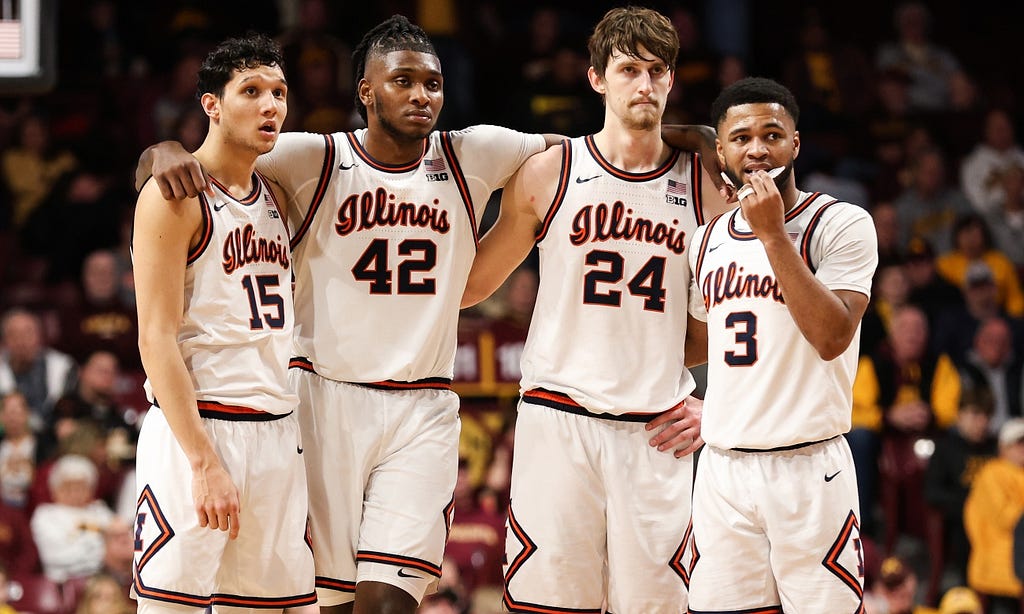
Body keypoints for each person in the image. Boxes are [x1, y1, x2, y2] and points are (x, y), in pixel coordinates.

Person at [460, 8, 726, 613]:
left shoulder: (705, 183)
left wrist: (720, 405)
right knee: (549, 604)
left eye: (659, 71)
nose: (646, 85)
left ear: (672, 80)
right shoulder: (551, 171)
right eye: (629, 69)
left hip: (656, 431)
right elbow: (470, 286)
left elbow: (745, 317)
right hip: (559, 420)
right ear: (596, 79)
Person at [131, 33, 315, 612]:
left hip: (277, 431)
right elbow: (154, 339)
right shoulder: (174, 195)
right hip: (200, 429)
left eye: (280, 93)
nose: (271, 106)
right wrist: (204, 462)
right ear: (212, 104)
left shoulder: (278, 192)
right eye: (252, 91)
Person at [684, 77, 877, 612]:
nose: (758, 148)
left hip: (810, 468)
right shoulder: (705, 241)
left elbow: (832, 335)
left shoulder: (838, 223)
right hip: (723, 472)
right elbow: (702, 346)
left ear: (796, 144)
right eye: (741, 137)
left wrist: (772, 235)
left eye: (772, 134)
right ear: (719, 151)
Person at [963, 418, 1024, 613]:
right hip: (1003, 557)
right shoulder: (992, 473)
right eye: (1018, 443)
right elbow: (1005, 517)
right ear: (1003, 447)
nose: (1023, 448)